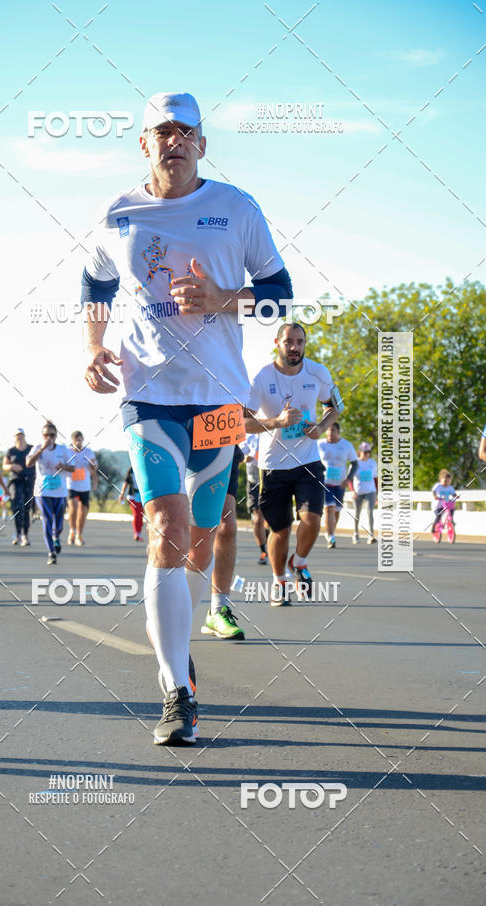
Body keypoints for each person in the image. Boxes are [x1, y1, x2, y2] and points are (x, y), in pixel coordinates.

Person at [83, 90, 292, 744]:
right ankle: (177, 692)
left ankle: (189, 637)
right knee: (166, 533)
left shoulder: (236, 209)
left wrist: (223, 299)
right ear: (143, 143)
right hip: (149, 398)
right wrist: (92, 347)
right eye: (161, 132)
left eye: (186, 132)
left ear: (203, 143)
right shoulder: (118, 213)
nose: (174, 141)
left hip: (221, 403)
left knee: (201, 541)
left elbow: (280, 296)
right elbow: (95, 285)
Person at [245, 322, 341, 605]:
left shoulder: (318, 372)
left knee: (312, 519)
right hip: (273, 465)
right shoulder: (262, 377)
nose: (295, 347)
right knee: (281, 530)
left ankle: (298, 562)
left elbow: (335, 406)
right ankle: (279, 582)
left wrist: (321, 428)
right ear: (277, 343)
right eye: (289, 342)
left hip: (308, 460)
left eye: (300, 342)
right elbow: (243, 422)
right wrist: (277, 422)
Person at [203, 446, 245, 639]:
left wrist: (277, 423)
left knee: (226, 526)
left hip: (221, 442)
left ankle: (218, 610)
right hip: (176, 436)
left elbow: (247, 418)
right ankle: (165, 611)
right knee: (174, 528)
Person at [26, 421, 74, 565]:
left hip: (59, 491)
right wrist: (41, 450)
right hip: (42, 490)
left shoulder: (62, 449)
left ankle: (56, 536)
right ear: (42, 435)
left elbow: (73, 467)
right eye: (46, 435)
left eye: (51, 435)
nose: (49, 437)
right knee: (47, 519)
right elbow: (28, 463)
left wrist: (64, 466)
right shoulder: (37, 448)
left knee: (58, 523)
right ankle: (51, 552)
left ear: (56, 435)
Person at [317, 423, 357, 548]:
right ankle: (331, 537)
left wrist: (348, 480)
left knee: (337, 510)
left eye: (333, 430)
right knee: (329, 508)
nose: (330, 433)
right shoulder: (319, 444)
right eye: (328, 430)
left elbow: (354, 463)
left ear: (338, 432)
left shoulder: (346, 445)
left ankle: (331, 531)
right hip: (325, 482)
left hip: (340, 483)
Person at [240, 433, 268, 564]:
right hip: (254, 482)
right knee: (257, 519)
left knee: (268, 518)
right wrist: (245, 457)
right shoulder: (248, 435)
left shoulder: (271, 430)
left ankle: (266, 536)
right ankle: (264, 551)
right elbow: (240, 454)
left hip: (270, 480)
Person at [67, 430, 98, 546]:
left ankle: (79, 534)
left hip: (85, 485)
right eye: (76, 440)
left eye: (80, 440)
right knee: (73, 507)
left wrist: (93, 467)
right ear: (72, 441)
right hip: (71, 484)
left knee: (83, 511)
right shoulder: (68, 452)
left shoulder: (88, 452)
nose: (78, 442)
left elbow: (94, 468)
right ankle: (72, 531)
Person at [3, 429, 34, 546]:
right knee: (17, 506)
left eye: (21, 435)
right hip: (15, 481)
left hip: (29, 480)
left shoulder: (31, 449)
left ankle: (25, 534)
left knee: (26, 507)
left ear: (24, 436)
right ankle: (17, 533)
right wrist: (12, 466)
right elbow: (4, 465)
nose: (19, 437)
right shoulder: (11, 451)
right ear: (14, 437)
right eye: (17, 435)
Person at [351, 441, 378, 544]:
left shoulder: (373, 463)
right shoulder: (356, 463)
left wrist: (377, 493)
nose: (367, 453)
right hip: (358, 491)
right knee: (357, 513)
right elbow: (350, 479)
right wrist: (353, 491)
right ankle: (355, 533)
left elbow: (375, 478)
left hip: (370, 491)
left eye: (368, 452)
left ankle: (371, 535)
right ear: (360, 452)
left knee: (370, 512)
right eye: (365, 451)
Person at [118, 466, 144, 541]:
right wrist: (122, 493)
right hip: (132, 496)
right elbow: (126, 482)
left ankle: (139, 533)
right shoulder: (131, 469)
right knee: (136, 514)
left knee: (140, 515)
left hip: (142, 496)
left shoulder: (144, 467)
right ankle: (137, 533)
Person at [431, 469, 457, 534]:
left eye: (448, 481)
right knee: (438, 516)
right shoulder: (438, 486)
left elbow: (453, 493)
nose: (446, 483)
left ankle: (451, 520)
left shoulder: (450, 487)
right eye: (445, 481)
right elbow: (434, 491)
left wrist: (455, 496)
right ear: (440, 480)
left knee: (452, 510)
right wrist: (435, 496)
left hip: (446, 504)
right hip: (438, 505)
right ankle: (433, 526)